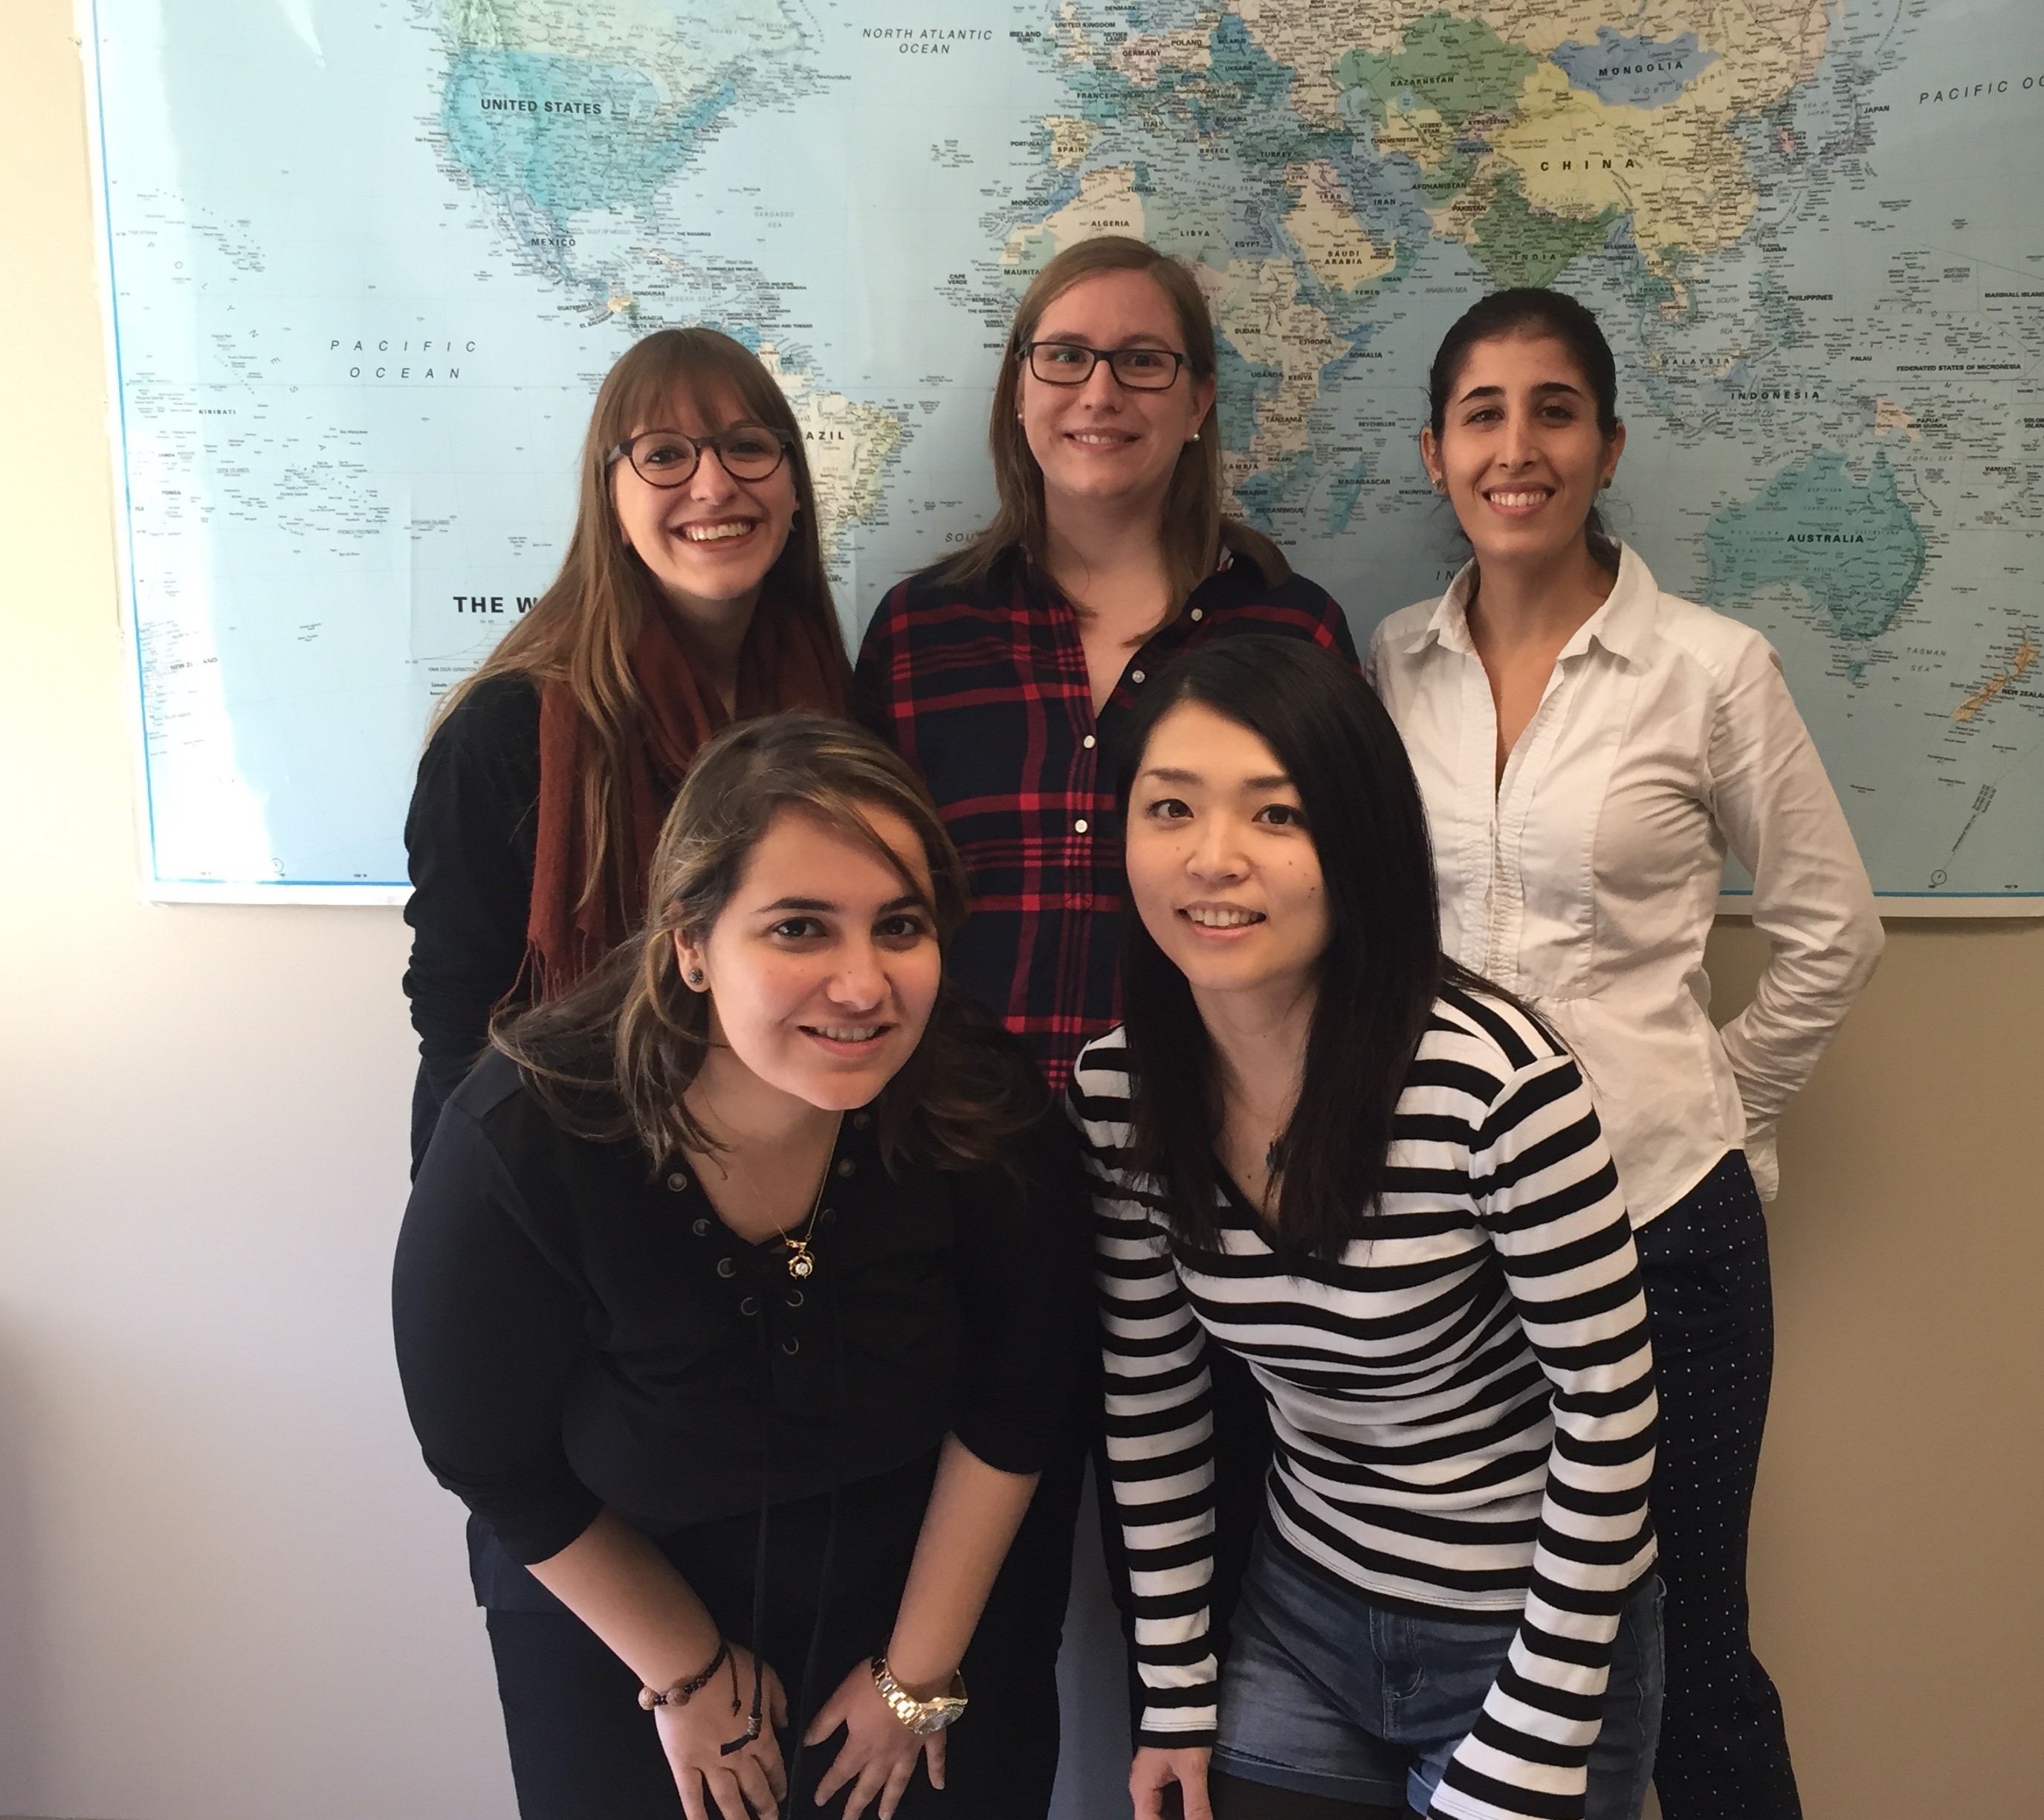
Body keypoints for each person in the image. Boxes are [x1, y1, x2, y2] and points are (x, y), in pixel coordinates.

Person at [1369, 289, 1886, 1820]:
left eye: (1552, 411)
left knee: (1691, 1654)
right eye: (1482, 413)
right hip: (1437, 1244)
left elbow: (1832, 933)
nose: (1515, 448)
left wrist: (1709, 1107)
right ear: (1434, 450)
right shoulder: (1388, 669)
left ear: (1606, 444)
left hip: (1662, 1230)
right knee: (1486, 1656)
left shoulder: (1709, 670)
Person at [392, 714, 1090, 1820]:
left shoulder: (976, 1097)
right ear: (689, 943)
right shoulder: (527, 1134)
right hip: (623, 1595)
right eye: (800, 928)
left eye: (898, 926)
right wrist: (686, 1675)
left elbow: (1021, 1395)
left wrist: (915, 1676)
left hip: (927, 1589)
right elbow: (486, 1455)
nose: (863, 985)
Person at [853, 235, 1351, 1767]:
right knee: (972, 1627)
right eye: (1063, 356)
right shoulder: (923, 631)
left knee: (1215, 1629)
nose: (1100, 391)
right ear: (1017, 394)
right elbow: (875, 922)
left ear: (1198, 401)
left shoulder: (1290, 631)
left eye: (1145, 361)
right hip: (968, 1192)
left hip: (1215, 1197)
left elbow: (1344, 910)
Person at [1077, 636, 1662, 1820]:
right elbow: (1152, 1401)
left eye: (1277, 815)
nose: (1213, 859)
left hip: (1531, 1623)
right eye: (1170, 807)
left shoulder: (1493, 1084)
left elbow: (1609, 1413)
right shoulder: (1118, 1091)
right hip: (1305, 1609)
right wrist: (1175, 1693)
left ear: (1357, 841)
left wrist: (1537, 1730)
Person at [404, 326, 853, 1169]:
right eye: (665, 455)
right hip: (573, 1171)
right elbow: (459, 1029)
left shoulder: (833, 708)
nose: (713, 485)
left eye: (748, 447)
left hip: (784, 1160)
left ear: (795, 487)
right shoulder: (504, 733)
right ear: (609, 496)